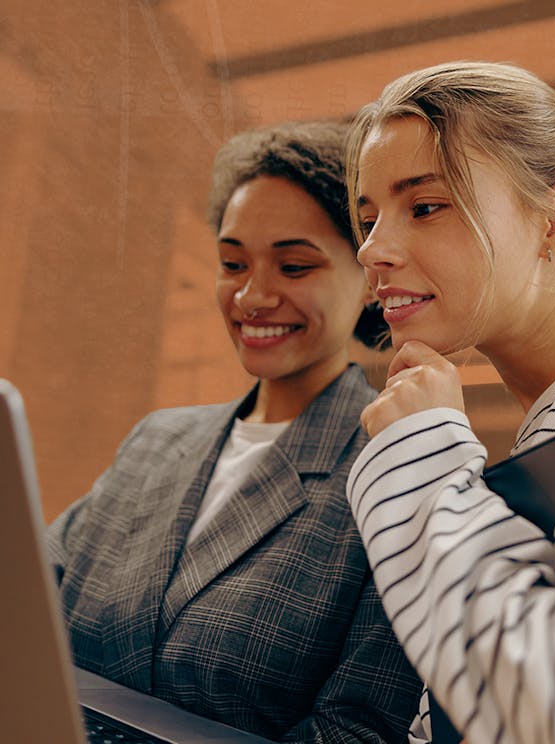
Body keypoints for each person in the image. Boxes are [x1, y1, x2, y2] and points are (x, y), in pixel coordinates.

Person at [47, 120, 422, 743]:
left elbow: (360, 730)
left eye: (294, 266)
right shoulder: (155, 441)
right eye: (231, 263)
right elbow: (29, 601)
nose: (252, 295)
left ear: (367, 280)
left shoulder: (395, 475)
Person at [343, 61, 555, 744]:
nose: (373, 249)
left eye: (424, 206)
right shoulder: (551, 431)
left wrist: (420, 460)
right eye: (368, 219)